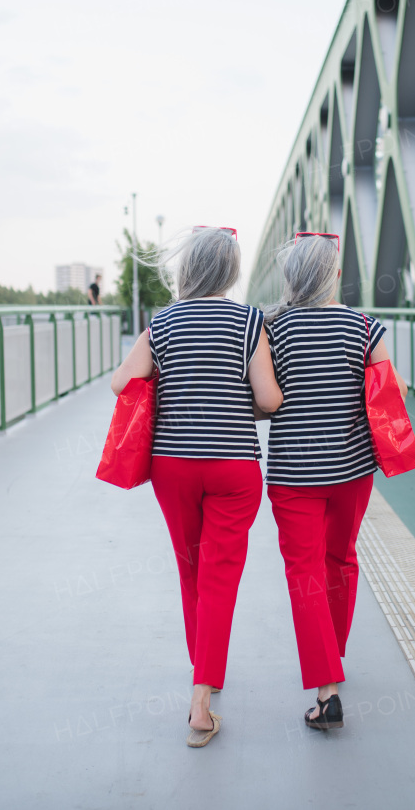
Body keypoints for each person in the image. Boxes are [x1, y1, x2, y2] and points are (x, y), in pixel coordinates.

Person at [109, 226, 283, 748]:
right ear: (229, 271)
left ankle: (203, 672)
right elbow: (270, 401)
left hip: (173, 466)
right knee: (220, 578)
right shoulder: (250, 321)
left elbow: (121, 383)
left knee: (191, 569)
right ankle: (201, 701)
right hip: (234, 469)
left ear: (188, 269)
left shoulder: (161, 323)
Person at [261, 232, 406, 731]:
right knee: (341, 559)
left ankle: (326, 689)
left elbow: (264, 400)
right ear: (335, 276)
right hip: (351, 471)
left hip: (293, 475)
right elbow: (393, 389)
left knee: (304, 571)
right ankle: (333, 662)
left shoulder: (272, 328)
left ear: (289, 278)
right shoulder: (364, 326)